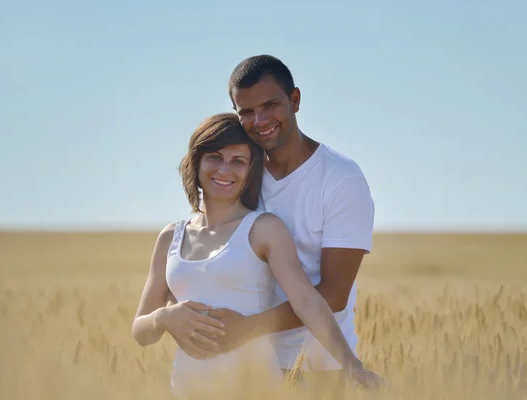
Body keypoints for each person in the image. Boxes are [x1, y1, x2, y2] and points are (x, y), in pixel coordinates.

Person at [131, 113, 383, 396]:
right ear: (196, 161)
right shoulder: (170, 237)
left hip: (255, 387)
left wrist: (351, 364)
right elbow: (141, 331)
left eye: (238, 161)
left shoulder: (263, 229)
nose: (225, 170)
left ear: (251, 171)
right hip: (188, 389)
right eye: (215, 157)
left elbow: (307, 300)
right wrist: (164, 318)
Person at [164, 55, 379, 385]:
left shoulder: (341, 180)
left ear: (294, 101)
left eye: (270, 105)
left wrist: (248, 328)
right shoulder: (240, 172)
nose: (260, 120)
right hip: (247, 367)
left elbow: (334, 294)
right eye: (246, 112)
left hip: (319, 366)